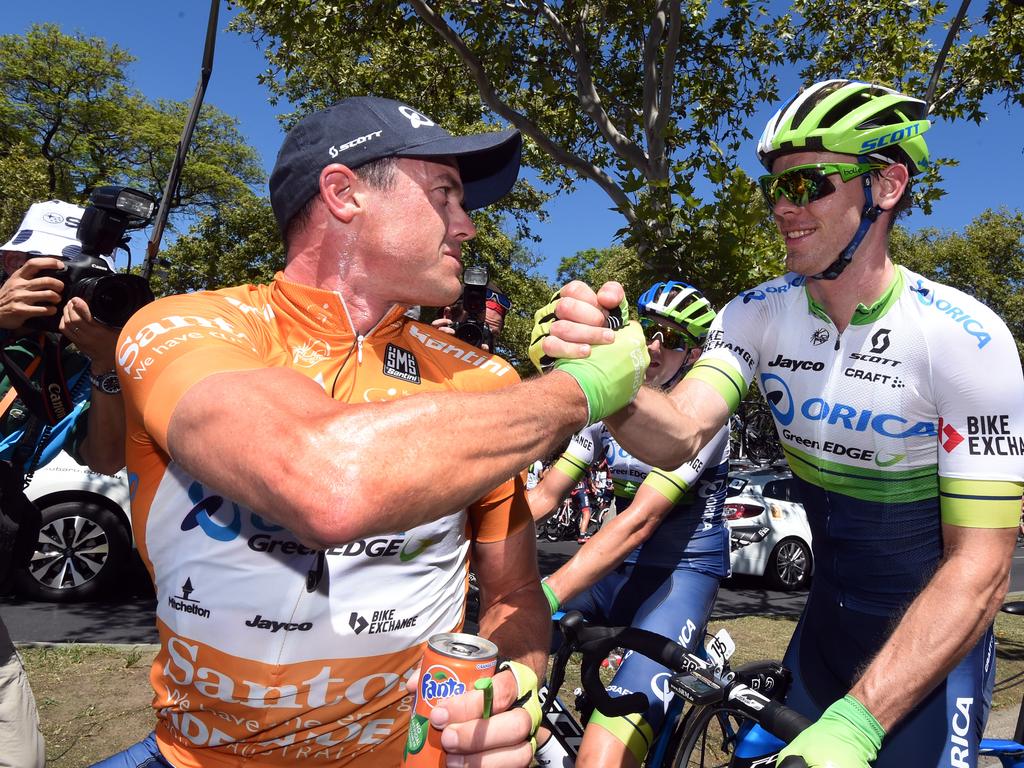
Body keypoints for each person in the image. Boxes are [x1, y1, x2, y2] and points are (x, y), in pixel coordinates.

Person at [95, 96, 650, 768]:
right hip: (191, 757)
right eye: (445, 195)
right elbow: (325, 481)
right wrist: (583, 390)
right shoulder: (184, 325)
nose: (467, 226)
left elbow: (513, 596)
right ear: (344, 193)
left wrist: (515, 689)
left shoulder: (484, 377)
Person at [535, 79, 1024, 768]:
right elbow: (675, 434)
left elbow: (982, 568)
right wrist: (608, 380)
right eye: (777, 189)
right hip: (822, 636)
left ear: (886, 186)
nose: (785, 209)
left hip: (934, 658)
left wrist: (859, 722)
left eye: (811, 185)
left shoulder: (966, 341)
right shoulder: (756, 314)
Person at [529, 282, 729, 768]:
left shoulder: (704, 422)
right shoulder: (610, 405)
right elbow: (543, 496)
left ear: (694, 354)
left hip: (681, 575)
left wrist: (549, 591)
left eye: (674, 338)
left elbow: (639, 521)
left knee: (601, 756)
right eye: (651, 331)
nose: (657, 345)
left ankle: (703, 657)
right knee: (497, 657)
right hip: (618, 572)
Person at [0, 199, 127, 768]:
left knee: (20, 755)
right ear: (11, 261)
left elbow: (104, 459)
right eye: (54, 270)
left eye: (80, 274)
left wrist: (105, 364)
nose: (67, 289)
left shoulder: (69, 363)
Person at [431, 277, 511, 351]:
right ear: (448, 316)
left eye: (493, 335)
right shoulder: (421, 348)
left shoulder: (497, 366)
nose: (481, 338)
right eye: (476, 326)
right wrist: (430, 343)